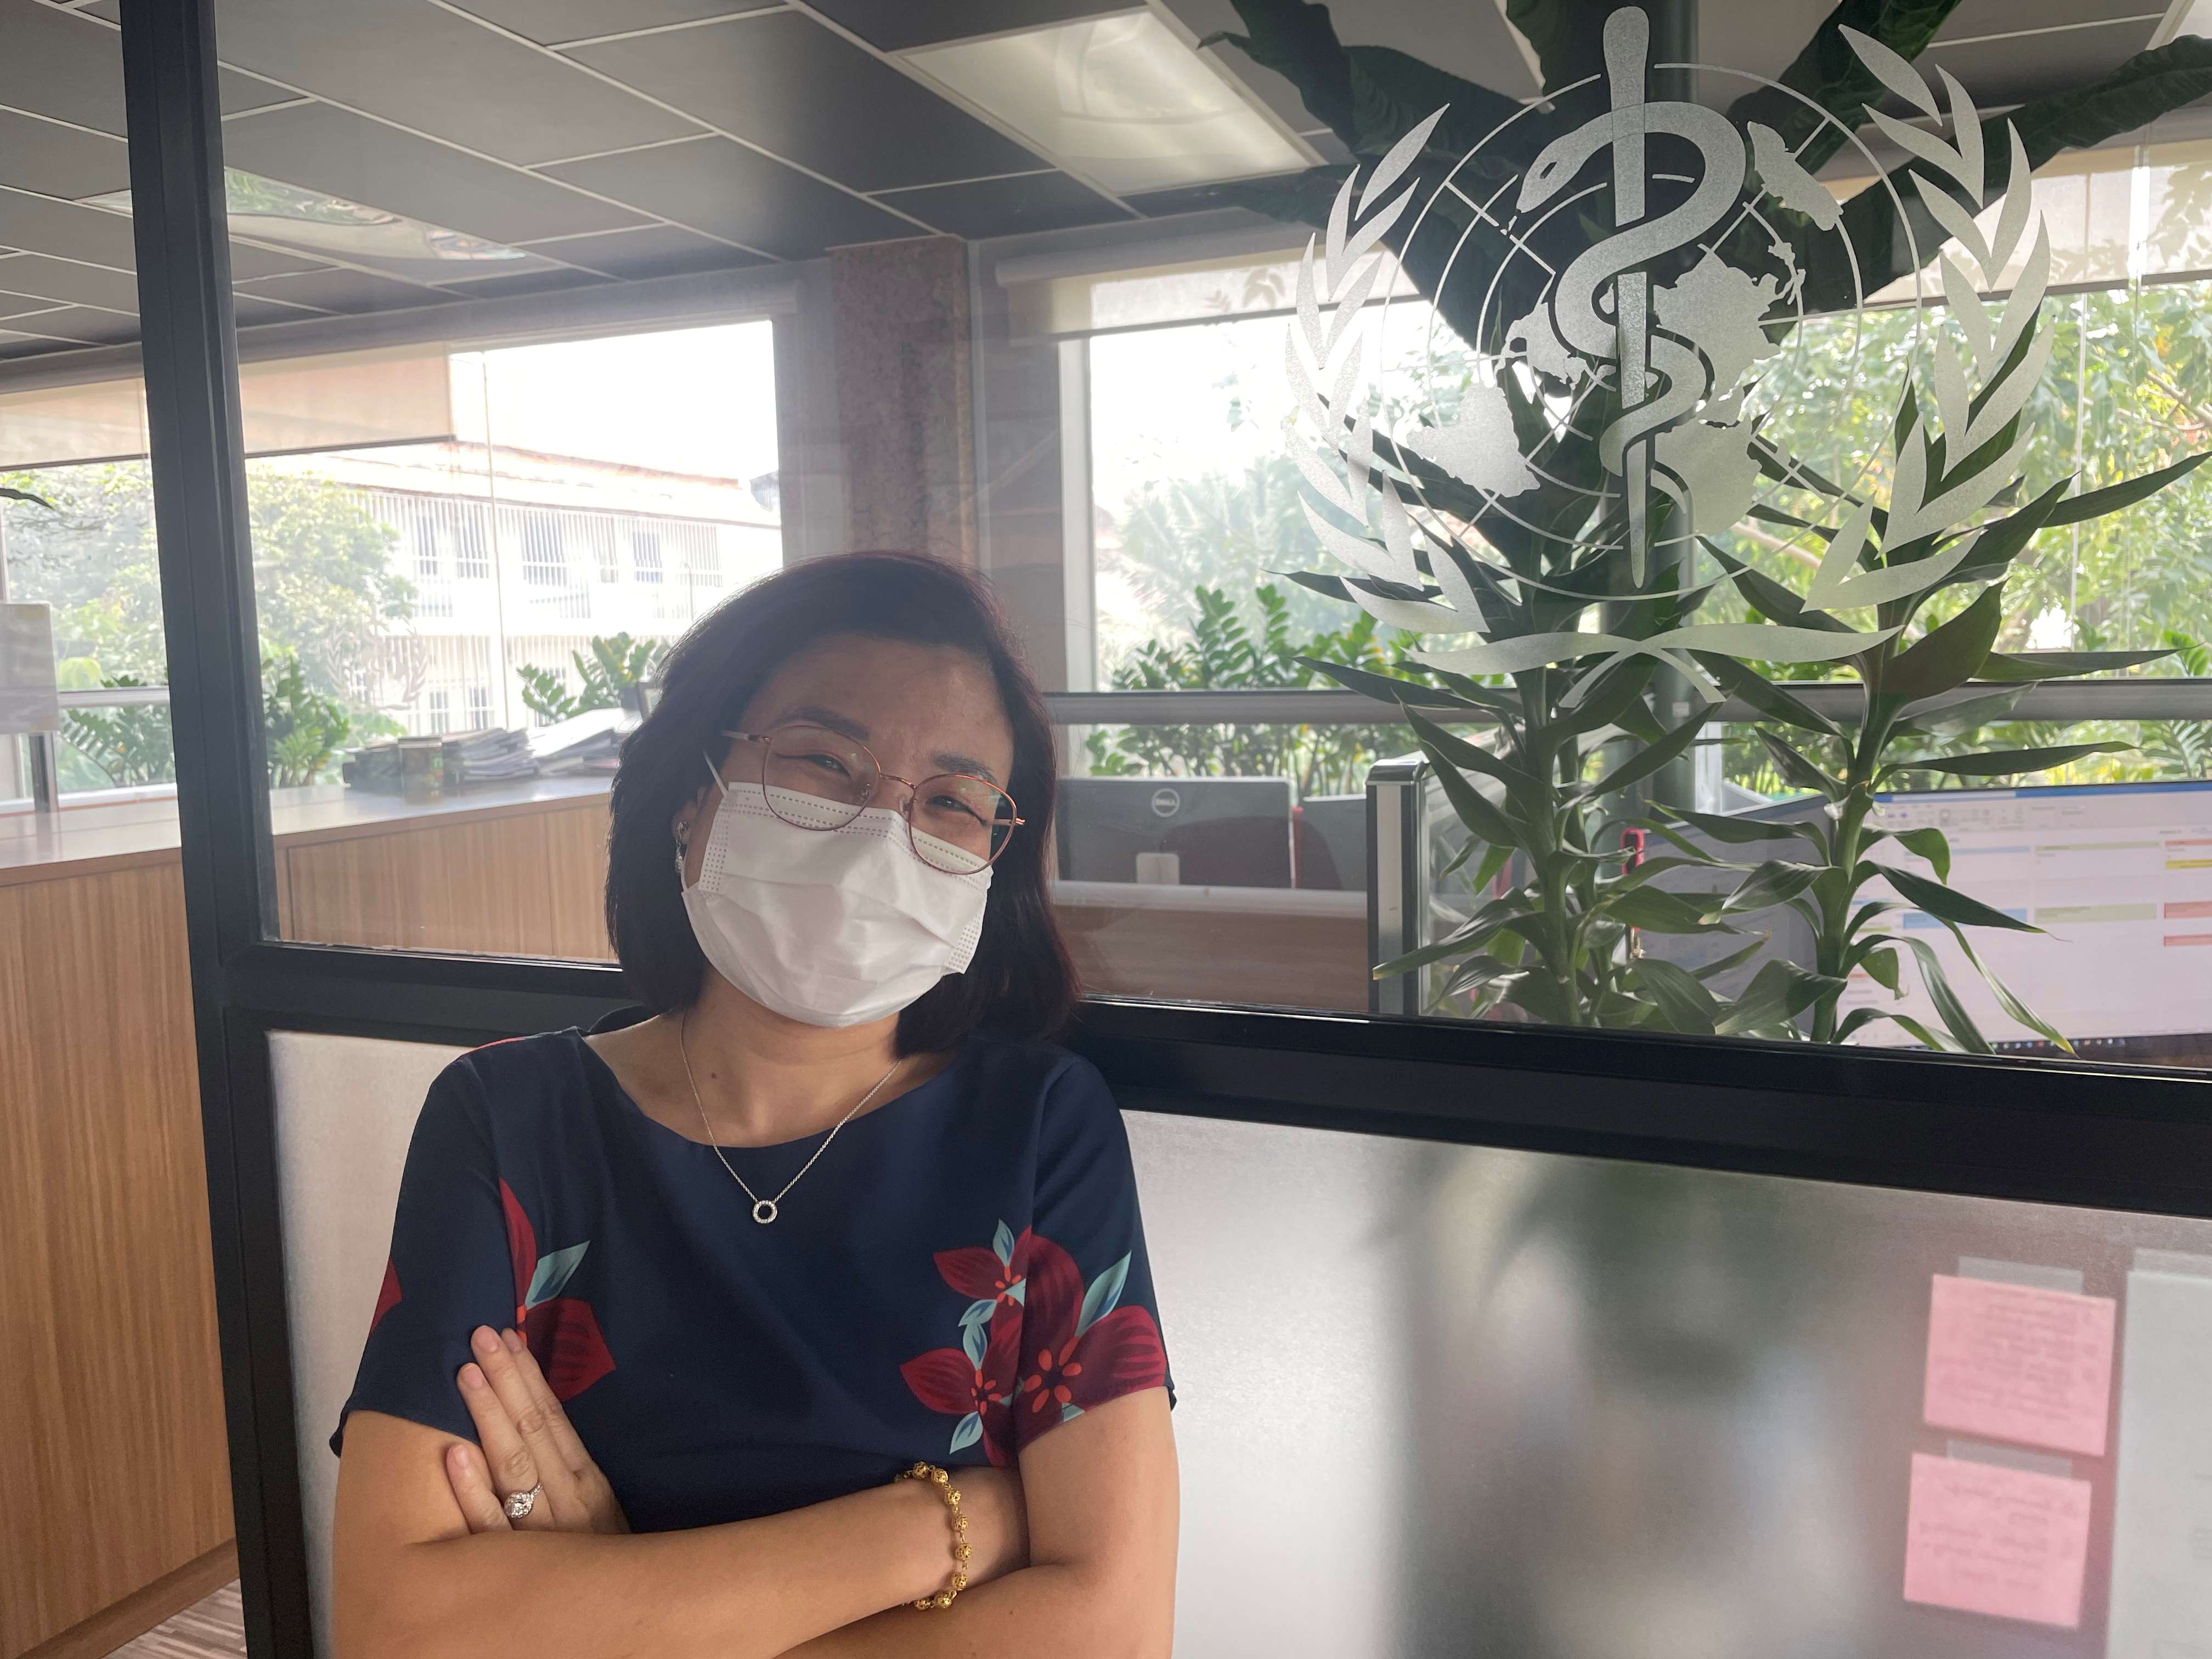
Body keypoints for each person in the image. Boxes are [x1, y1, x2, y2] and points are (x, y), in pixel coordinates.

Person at [330, 551, 1178, 1658]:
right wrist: (941, 1526)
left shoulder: (1037, 1126)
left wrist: (610, 1613)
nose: (882, 834)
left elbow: (1113, 1631)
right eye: (823, 761)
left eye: (953, 802)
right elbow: (397, 1626)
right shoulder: (510, 1119)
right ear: (693, 796)